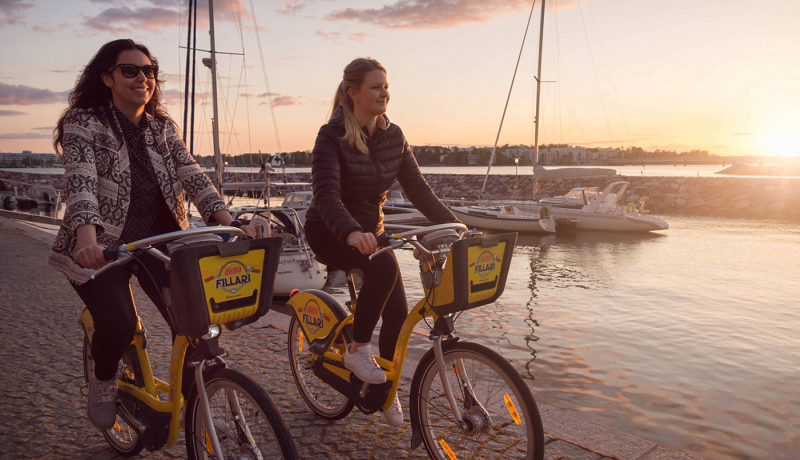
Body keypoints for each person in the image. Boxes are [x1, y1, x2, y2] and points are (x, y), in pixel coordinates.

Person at [49, 39, 253, 430]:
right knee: (120, 324)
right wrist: (89, 242)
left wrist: (228, 222)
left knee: (195, 323)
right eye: (131, 70)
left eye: (149, 71)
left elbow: (193, 176)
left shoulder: (161, 127)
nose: (143, 77)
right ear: (107, 77)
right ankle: (104, 379)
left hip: (158, 244)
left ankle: (199, 403)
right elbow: (81, 184)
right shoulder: (84, 121)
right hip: (104, 245)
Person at [304, 57, 457, 427]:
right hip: (331, 229)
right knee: (386, 265)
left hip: (372, 232)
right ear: (353, 93)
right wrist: (352, 233)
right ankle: (357, 349)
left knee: (399, 315)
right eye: (375, 86)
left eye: (386, 86)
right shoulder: (331, 135)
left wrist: (455, 225)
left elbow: (418, 189)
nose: (383, 92)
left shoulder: (394, 136)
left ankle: (384, 391)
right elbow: (326, 195)